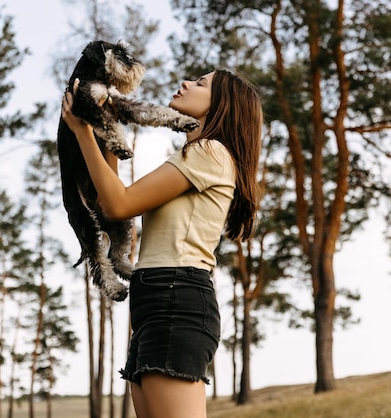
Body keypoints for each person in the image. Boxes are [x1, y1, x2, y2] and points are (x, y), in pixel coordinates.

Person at [61, 69, 263, 418]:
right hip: (155, 299)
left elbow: (119, 203)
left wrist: (83, 132)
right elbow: (111, 197)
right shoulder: (193, 155)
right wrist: (103, 124)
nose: (186, 83)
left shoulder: (210, 152)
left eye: (201, 84)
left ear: (223, 105)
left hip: (177, 297)